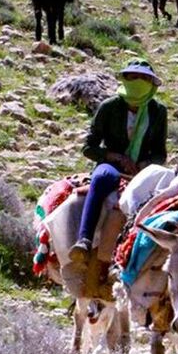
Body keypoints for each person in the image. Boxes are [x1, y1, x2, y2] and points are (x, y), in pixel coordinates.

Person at [71, 60, 168, 262]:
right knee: (102, 177)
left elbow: (160, 153)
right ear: (125, 79)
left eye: (144, 78)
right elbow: (89, 147)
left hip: (143, 169)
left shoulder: (158, 111)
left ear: (152, 84)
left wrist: (144, 164)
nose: (139, 81)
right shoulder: (109, 107)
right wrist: (114, 156)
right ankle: (84, 239)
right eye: (134, 77)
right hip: (112, 165)